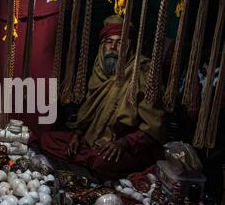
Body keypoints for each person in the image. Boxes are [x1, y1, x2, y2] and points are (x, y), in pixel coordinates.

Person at [40, 15, 165, 181]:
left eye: (120, 42)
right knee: (47, 139)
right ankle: (89, 161)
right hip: (93, 141)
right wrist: (77, 135)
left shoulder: (143, 72)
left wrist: (123, 143)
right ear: (102, 46)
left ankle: (91, 163)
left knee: (102, 162)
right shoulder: (100, 68)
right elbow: (88, 113)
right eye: (108, 41)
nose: (112, 47)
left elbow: (153, 127)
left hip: (123, 146)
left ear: (130, 47)